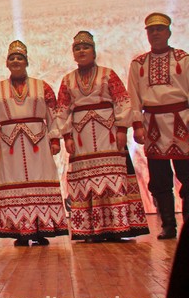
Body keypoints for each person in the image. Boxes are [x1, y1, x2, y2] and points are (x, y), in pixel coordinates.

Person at [56, 31, 149, 242]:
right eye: (77, 48)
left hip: (108, 133)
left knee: (112, 177)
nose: (81, 51)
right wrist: (67, 136)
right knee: (87, 179)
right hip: (82, 137)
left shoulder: (108, 74)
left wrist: (122, 129)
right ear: (73, 54)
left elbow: (123, 101)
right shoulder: (68, 80)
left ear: (94, 51)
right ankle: (92, 229)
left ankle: (117, 227)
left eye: (86, 47)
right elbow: (62, 109)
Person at [0, 40, 68, 246]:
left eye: (20, 58)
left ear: (26, 62)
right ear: (6, 64)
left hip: (39, 141)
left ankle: (41, 228)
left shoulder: (41, 86)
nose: (16, 61)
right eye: (12, 58)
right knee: (14, 180)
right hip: (11, 144)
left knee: (40, 177)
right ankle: (19, 230)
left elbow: (55, 113)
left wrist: (55, 138)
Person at [127, 13, 189, 240]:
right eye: (151, 30)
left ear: (169, 32)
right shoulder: (138, 64)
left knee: (187, 174)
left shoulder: (184, 59)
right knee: (159, 179)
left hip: (182, 122)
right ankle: (168, 226)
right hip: (153, 125)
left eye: (160, 29)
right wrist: (137, 125)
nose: (155, 33)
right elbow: (133, 97)